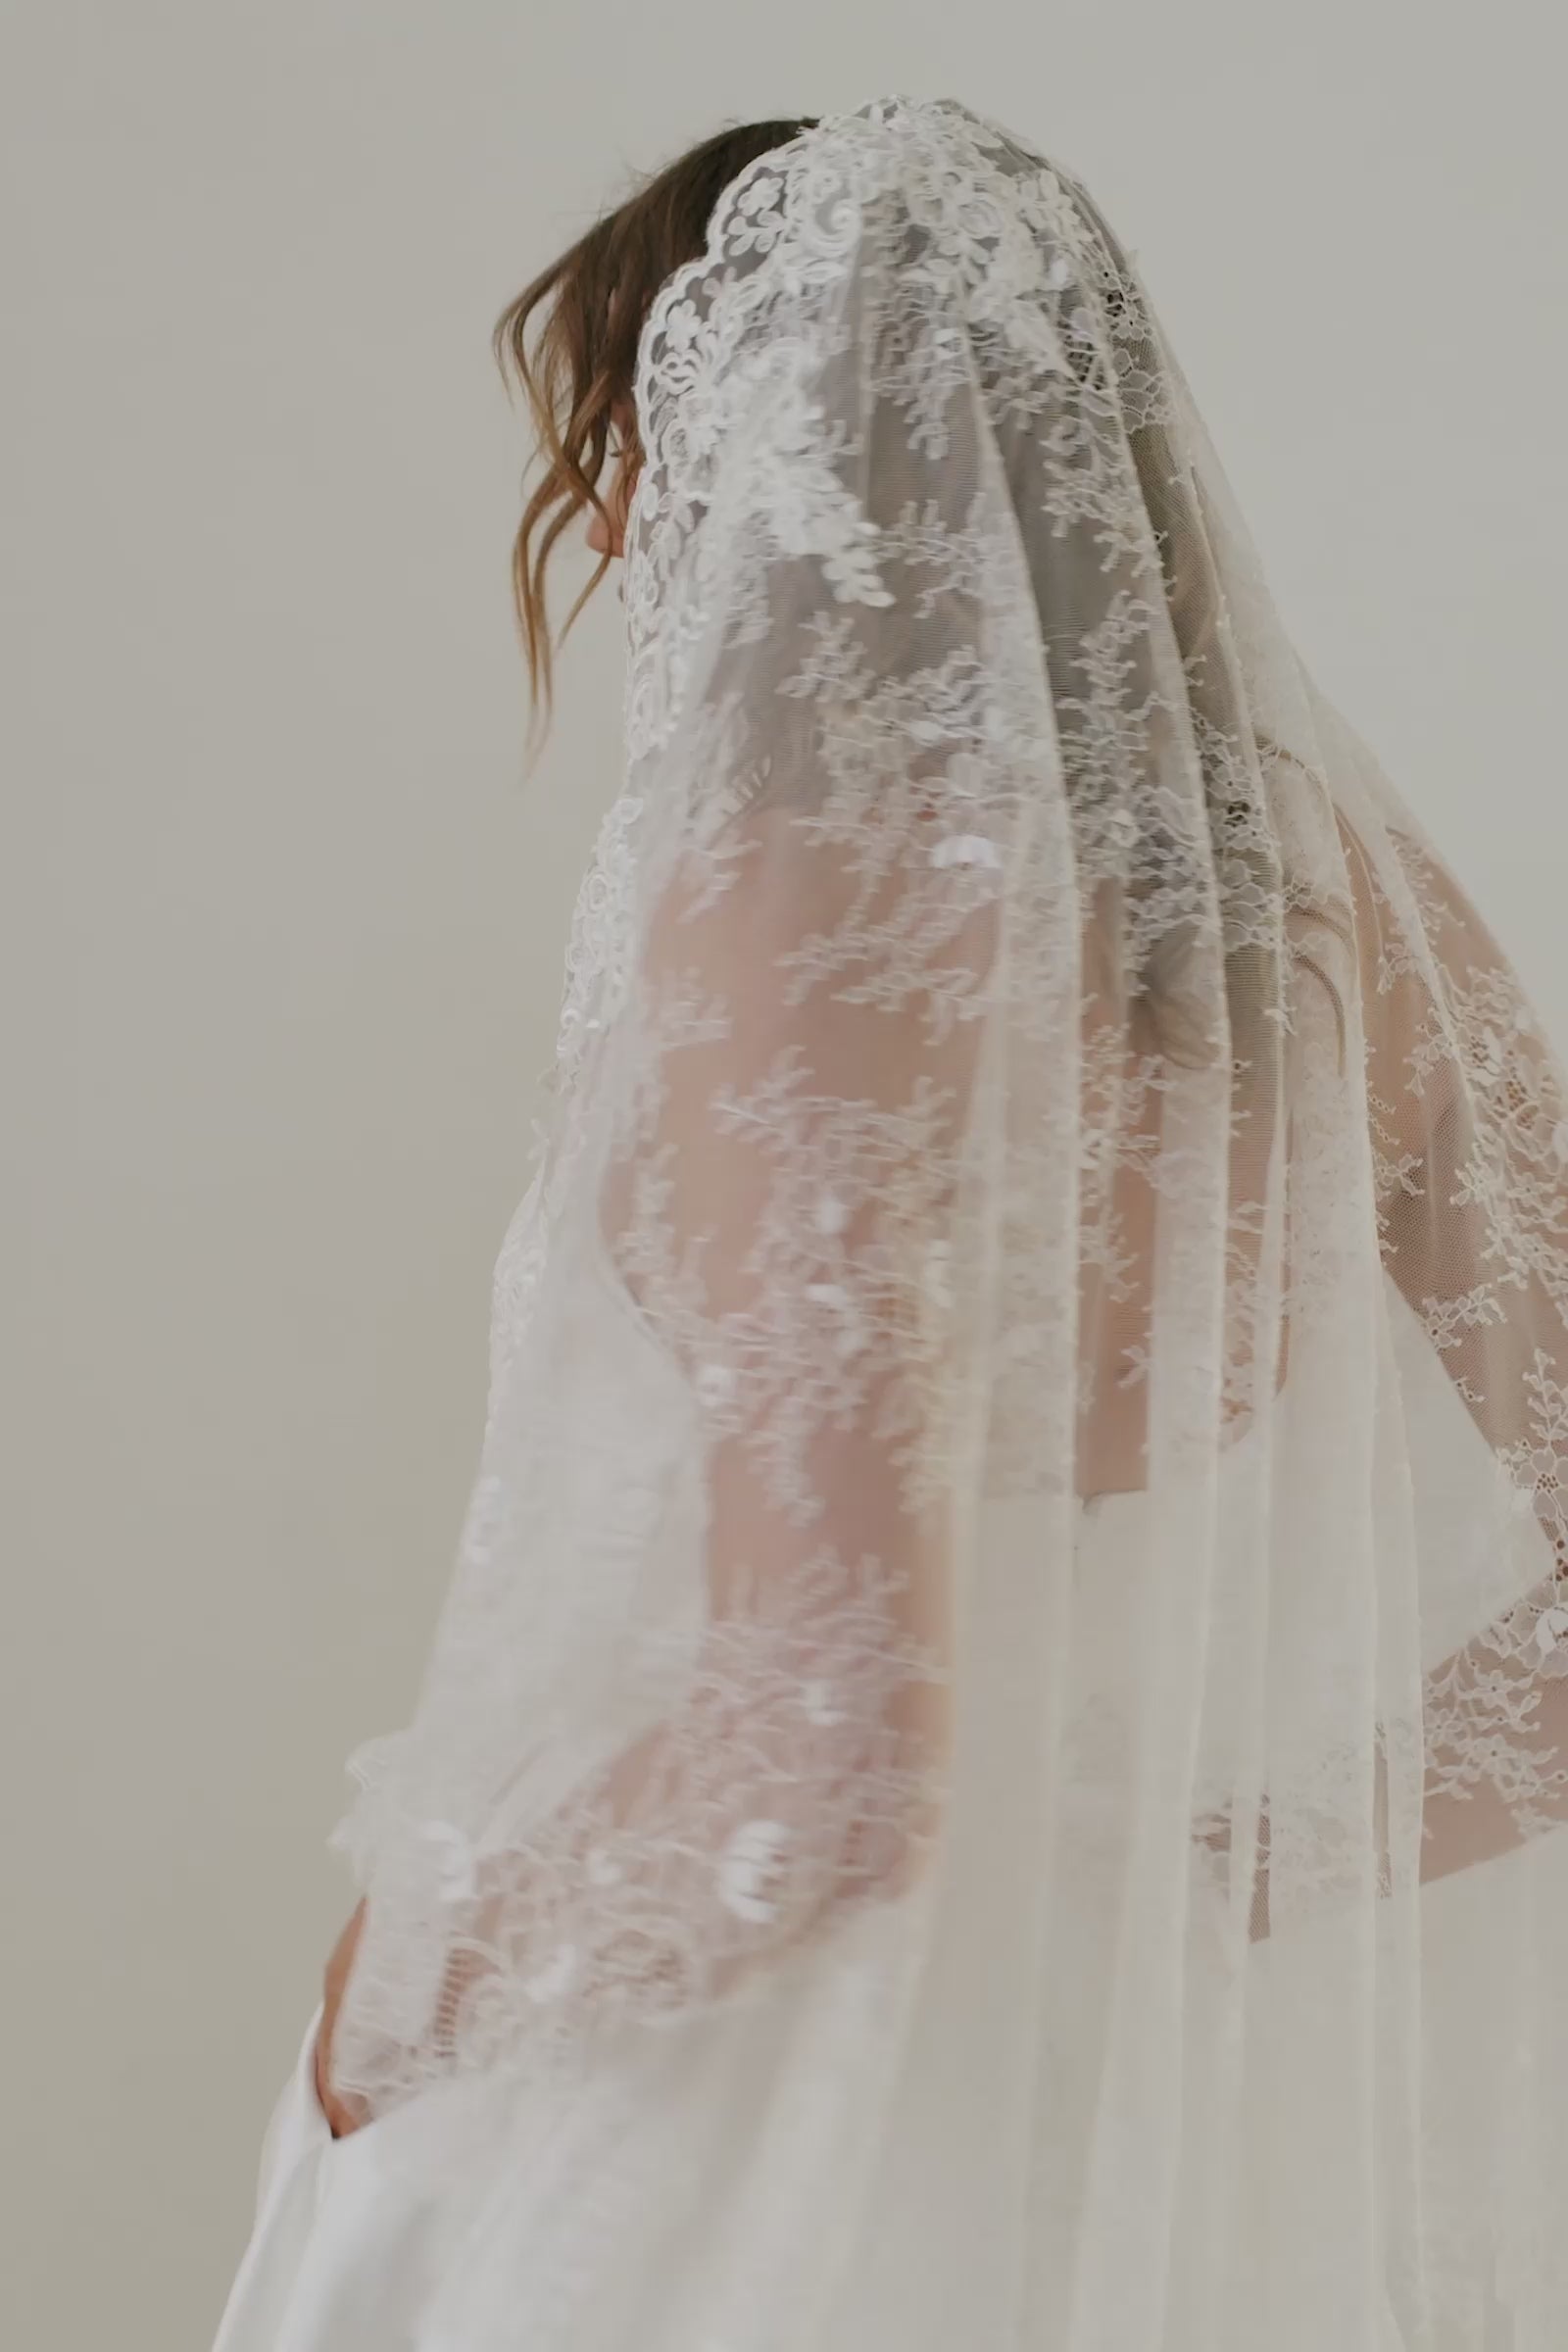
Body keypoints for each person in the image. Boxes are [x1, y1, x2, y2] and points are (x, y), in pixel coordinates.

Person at [211, 95, 1568, 2352]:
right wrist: (1199, 1872)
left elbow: (825, 1753)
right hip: (1111, 2111)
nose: (612, 516)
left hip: (707, 2111)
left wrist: (402, 1999)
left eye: (628, 432)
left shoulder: (785, 913)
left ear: (751, 439)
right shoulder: (1342, 924)